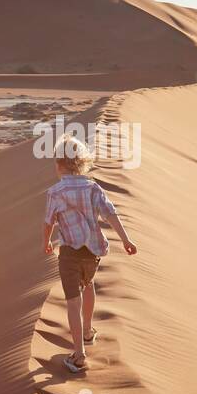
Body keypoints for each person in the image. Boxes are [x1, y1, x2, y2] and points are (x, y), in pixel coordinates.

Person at [42, 134, 137, 372]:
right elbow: (110, 214)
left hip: (69, 253)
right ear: (81, 163)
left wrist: (46, 242)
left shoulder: (55, 192)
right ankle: (87, 332)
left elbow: (48, 222)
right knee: (89, 286)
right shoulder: (92, 186)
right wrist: (126, 239)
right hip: (92, 254)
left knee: (73, 302)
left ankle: (79, 355)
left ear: (59, 164)